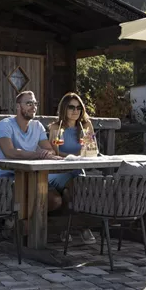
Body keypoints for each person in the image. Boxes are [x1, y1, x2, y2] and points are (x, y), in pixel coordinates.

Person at [0, 90, 63, 212]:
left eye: (35, 103)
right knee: (34, 198)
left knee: (56, 199)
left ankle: (32, 226)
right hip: (5, 177)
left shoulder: (37, 126)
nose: (34, 107)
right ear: (18, 106)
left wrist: (47, 154)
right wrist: (38, 155)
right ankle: (21, 226)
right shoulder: (5, 124)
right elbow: (10, 152)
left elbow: (50, 150)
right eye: (29, 103)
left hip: (30, 175)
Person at [48, 92, 97, 245]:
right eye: (71, 107)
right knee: (78, 185)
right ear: (64, 108)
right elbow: (55, 153)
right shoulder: (57, 127)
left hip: (77, 170)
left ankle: (66, 227)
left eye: (79, 108)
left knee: (71, 191)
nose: (75, 111)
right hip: (58, 171)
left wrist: (80, 153)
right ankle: (83, 227)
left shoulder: (86, 125)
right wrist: (75, 155)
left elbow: (92, 150)